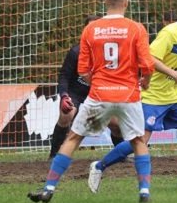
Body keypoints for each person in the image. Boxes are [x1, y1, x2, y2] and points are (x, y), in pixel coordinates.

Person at [28, 0, 155, 203]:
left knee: (74, 138)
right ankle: (144, 192)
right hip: (128, 95)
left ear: (105, 2)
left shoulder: (91, 29)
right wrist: (145, 82)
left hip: (99, 95)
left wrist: (98, 83)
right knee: (138, 141)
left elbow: (83, 70)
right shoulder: (137, 28)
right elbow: (147, 65)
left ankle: (49, 188)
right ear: (126, 3)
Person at [88, 0, 177, 192]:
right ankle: (99, 166)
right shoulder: (169, 33)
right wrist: (174, 75)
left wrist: (176, 77)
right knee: (140, 141)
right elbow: (150, 59)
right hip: (154, 96)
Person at [48, 14, 124, 159]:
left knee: (115, 123)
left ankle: (120, 156)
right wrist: (64, 96)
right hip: (75, 92)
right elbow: (64, 76)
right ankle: (54, 155)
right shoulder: (76, 52)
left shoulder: (108, 52)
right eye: (90, 28)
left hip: (98, 92)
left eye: (96, 28)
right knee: (66, 115)